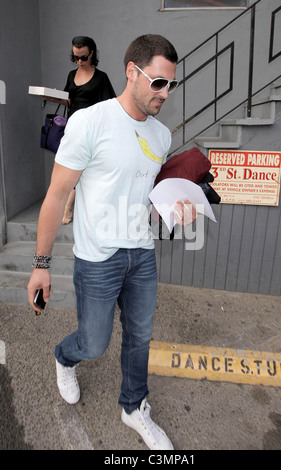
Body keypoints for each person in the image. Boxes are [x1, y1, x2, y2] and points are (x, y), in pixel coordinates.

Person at [27, 34, 197, 451]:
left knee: (140, 337)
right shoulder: (90, 121)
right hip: (97, 257)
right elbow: (55, 195)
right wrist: (41, 263)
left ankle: (134, 406)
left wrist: (176, 209)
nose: (165, 93)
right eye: (158, 82)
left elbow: (147, 199)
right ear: (131, 72)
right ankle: (64, 358)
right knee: (94, 342)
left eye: (171, 84)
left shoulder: (161, 136)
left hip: (141, 252)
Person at [62, 36, 116, 224]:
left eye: (83, 57)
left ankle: (69, 206)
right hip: (72, 127)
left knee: (82, 167)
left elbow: (110, 104)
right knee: (72, 166)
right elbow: (68, 100)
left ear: (92, 53)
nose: (79, 61)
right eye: (75, 57)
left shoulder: (101, 78)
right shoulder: (71, 75)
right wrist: (54, 97)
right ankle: (71, 205)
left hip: (91, 129)